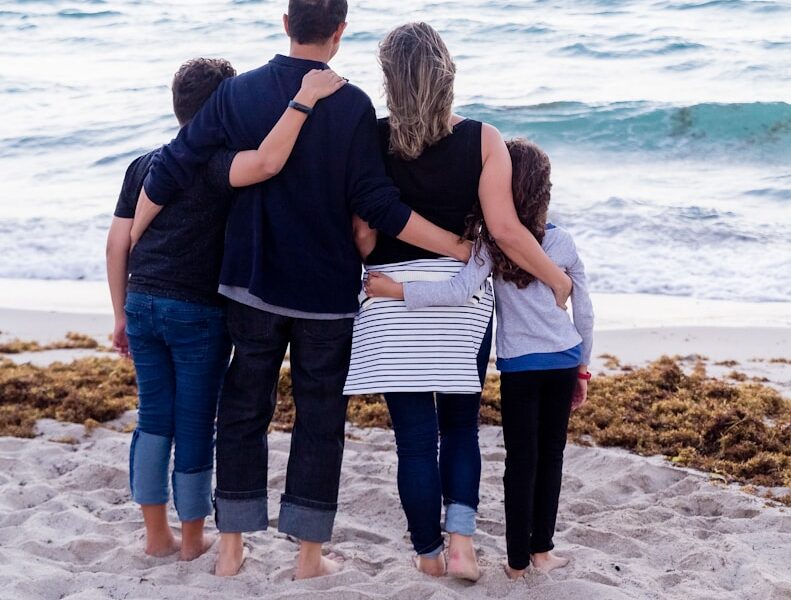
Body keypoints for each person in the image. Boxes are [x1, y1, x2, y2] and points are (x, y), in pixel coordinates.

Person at [128, 0, 478, 580]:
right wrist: (455, 246)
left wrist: (135, 236)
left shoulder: (236, 93)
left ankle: (231, 549)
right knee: (319, 421)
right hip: (325, 294)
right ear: (340, 31)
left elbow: (176, 163)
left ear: (286, 23)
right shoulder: (353, 104)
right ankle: (308, 559)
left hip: (250, 283)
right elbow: (376, 204)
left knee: (242, 411)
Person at [343, 23, 573, 581]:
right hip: (461, 301)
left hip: (392, 300)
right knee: (461, 427)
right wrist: (555, 280)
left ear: (390, 80)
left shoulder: (371, 138)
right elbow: (506, 230)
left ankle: (428, 554)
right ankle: (463, 544)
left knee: (415, 441)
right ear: (447, 73)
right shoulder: (484, 139)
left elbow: (363, 238)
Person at [106, 58, 346, 561]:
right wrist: (304, 100)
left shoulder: (144, 164)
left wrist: (120, 315)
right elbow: (267, 162)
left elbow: (116, 244)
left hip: (142, 303)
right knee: (195, 423)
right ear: (225, 107)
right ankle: (193, 540)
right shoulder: (217, 165)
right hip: (197, 313)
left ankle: (156, 536)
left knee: (154, 419)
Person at [365, 138, 595, 580]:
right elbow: (583, 311)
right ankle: (542, 551)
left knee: (520, 461)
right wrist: (583, 366)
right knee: (552, 457)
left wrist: (396, 290)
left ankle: (515, 564)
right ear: (544, 191)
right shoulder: (561, 242)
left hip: (519, 368)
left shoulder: (491, 245)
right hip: (564, 360)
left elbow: (457, 291)